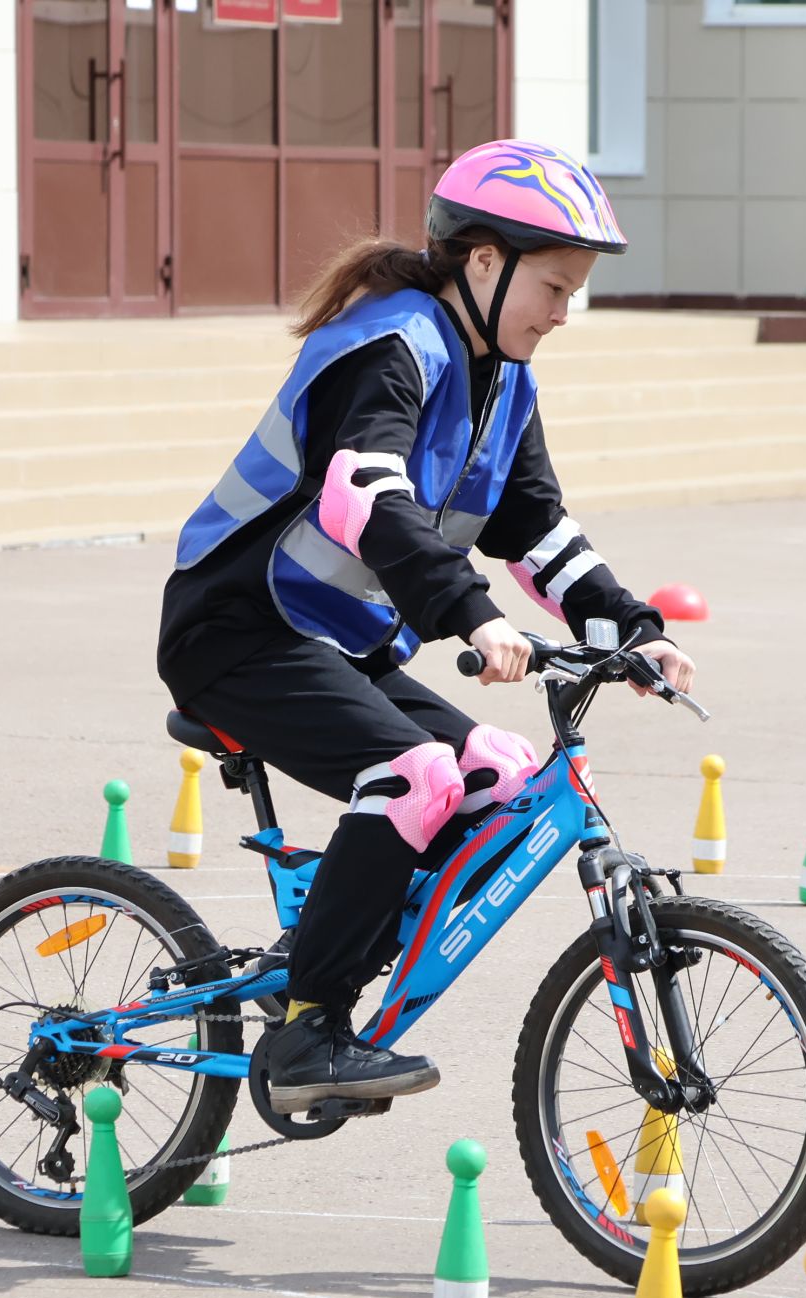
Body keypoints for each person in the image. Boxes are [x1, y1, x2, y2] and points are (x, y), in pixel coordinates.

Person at [157, 139, 696, 1114]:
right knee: (415, 773)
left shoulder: (502, 376)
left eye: (577, 293)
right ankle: (312, 1030)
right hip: (237, 628)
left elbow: (534, 526)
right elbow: (364, 495)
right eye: (556, 286)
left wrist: (628, 625)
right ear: (482, 262)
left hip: (334, 638)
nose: (565, 313)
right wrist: (472, 615)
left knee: (495, 771)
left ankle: (321, 953)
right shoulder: (390, 347)